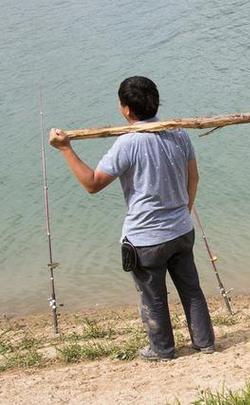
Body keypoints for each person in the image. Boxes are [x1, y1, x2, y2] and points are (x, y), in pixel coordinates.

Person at [49, 76, 215, 360]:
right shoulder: (178, 133)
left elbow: (92, 184)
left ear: (126, 109)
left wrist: (66, 149)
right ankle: (205, 343)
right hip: (181, 231)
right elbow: (194, 178)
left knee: (153, 297)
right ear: (155, 102)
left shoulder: (128, 143)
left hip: (146, 239)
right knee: (192, 290)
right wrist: (183, 212)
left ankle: (162, 350)